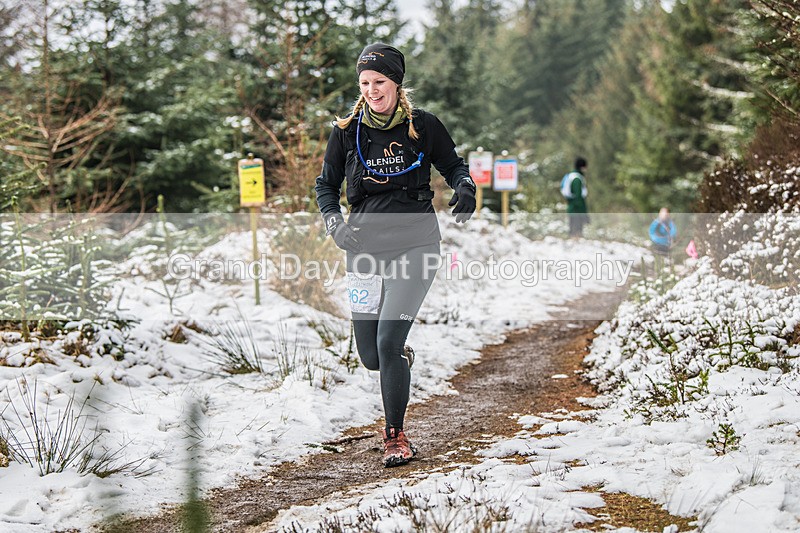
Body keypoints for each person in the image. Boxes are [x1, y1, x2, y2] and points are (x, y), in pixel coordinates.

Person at [314, 43, 476, 468]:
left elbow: (454, 166)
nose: (372, 91)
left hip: (416, 244)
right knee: (372, 356)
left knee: (387, 340)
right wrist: (334, 224)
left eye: (379, 82)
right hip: (364, 249)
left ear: (396, 83)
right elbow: (326, 186)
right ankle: (397, 359)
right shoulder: (346, 131)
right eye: (365, 83)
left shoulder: (423, 126)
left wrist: (466, 187)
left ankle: (395, 435)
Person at [561, 157, 589, 237]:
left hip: (572, 207)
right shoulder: (577, 179)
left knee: (572, 229)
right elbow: (578, 197)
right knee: (576, 232)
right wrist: (584, 213)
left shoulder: (572, 176)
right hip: (576, 209)